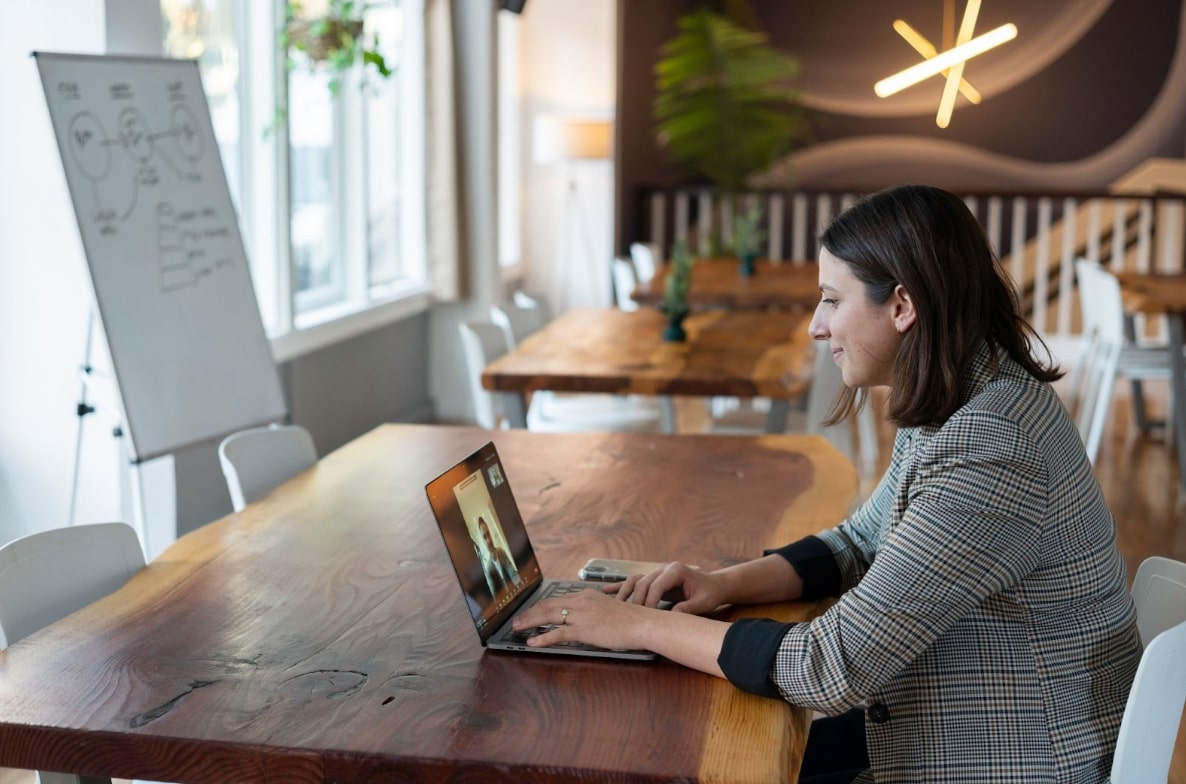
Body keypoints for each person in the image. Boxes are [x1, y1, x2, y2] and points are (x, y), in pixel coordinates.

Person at [512, 184, 1142, 784]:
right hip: (952, 726)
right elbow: (857, 542)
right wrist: (720, 584)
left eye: (832, 300)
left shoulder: (994, 445)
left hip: (1014, 760)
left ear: (901, 305)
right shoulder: (965, 393)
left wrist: (637, 629)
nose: (816, 325)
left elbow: (830, 667)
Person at [476, 515, 518, 595]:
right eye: (485, 537)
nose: (488, 540)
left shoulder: (501, 552)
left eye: (488, 534)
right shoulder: (488, 569)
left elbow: (513, 574)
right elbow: (495, 595)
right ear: (483, 541)